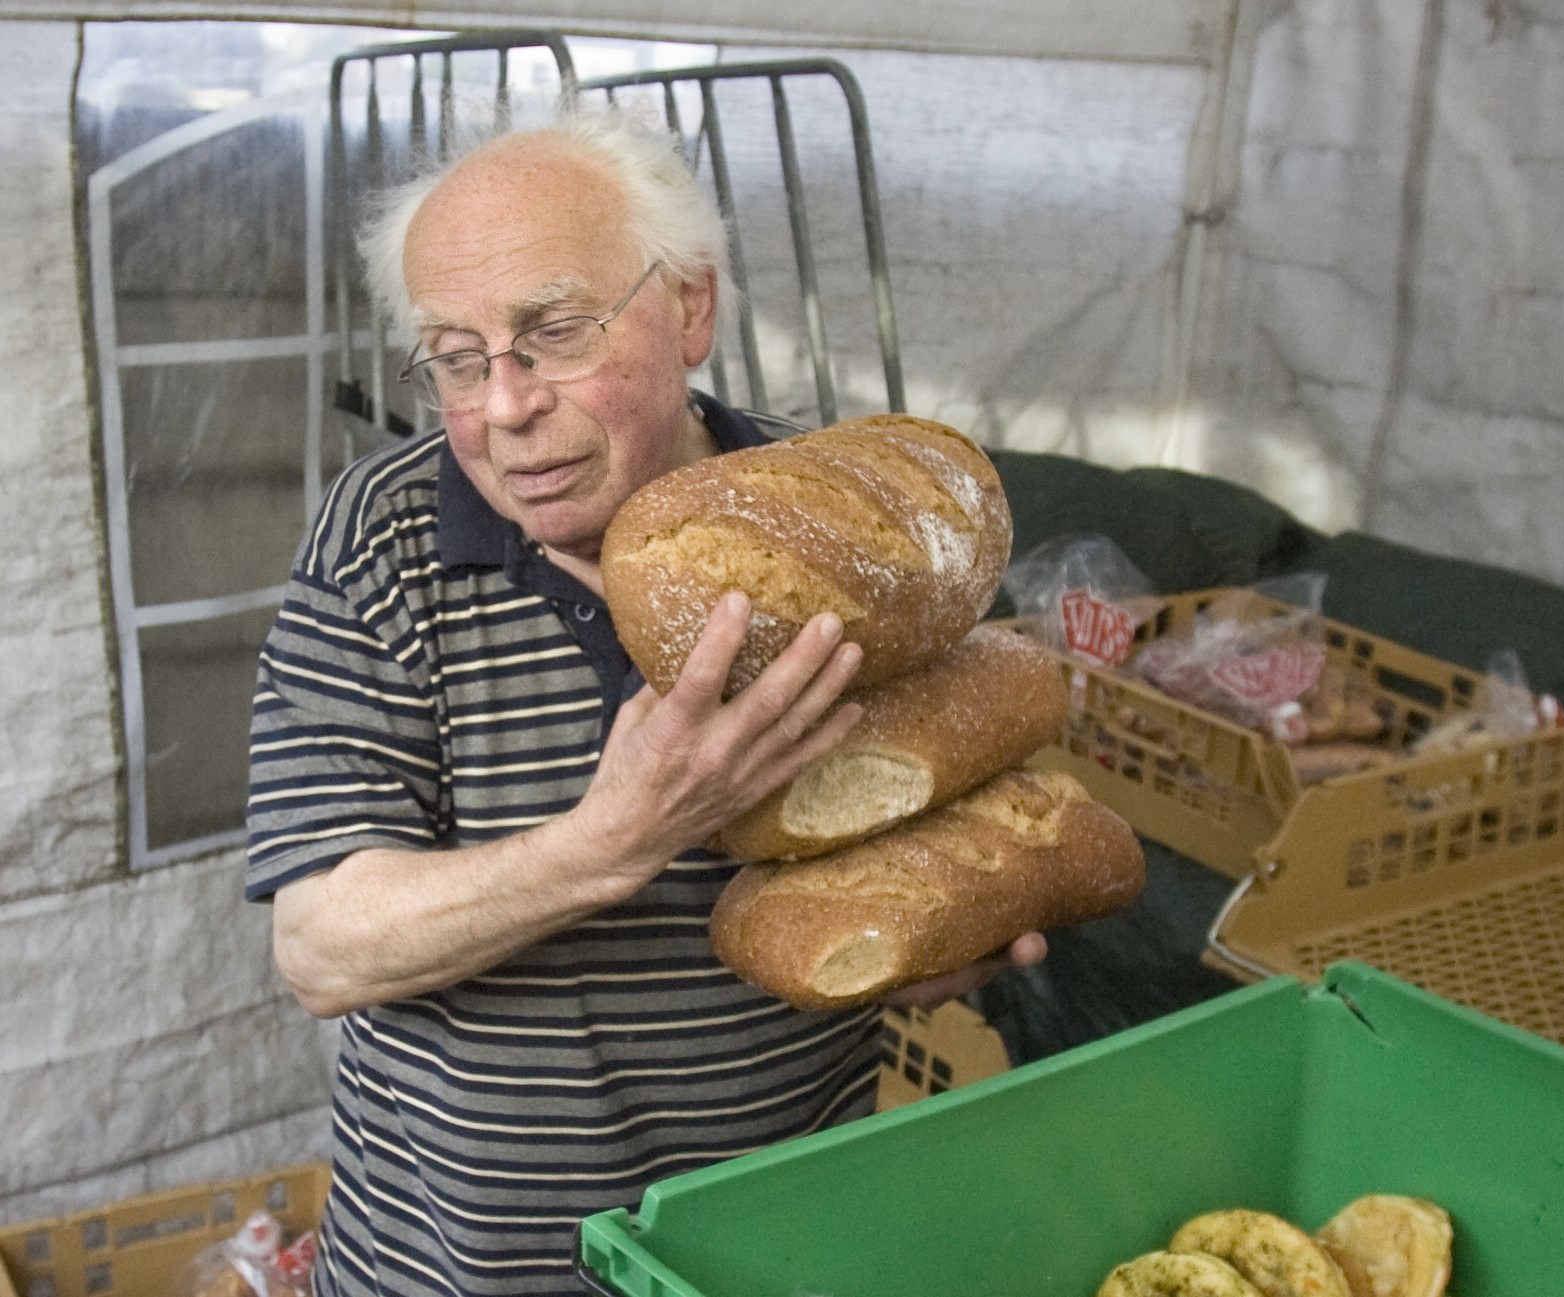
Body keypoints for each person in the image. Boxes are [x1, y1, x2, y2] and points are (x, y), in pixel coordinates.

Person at [245, 108, 1040, 1297]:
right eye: (456, 358)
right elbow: (319, 946)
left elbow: (934, 811)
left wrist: (925, 934)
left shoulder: (843, 535)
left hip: (773, 1255)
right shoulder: (383, 541)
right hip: (453, 1273)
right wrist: (615, 837)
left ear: (691, 310)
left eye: (552, 332)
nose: (504, 406)